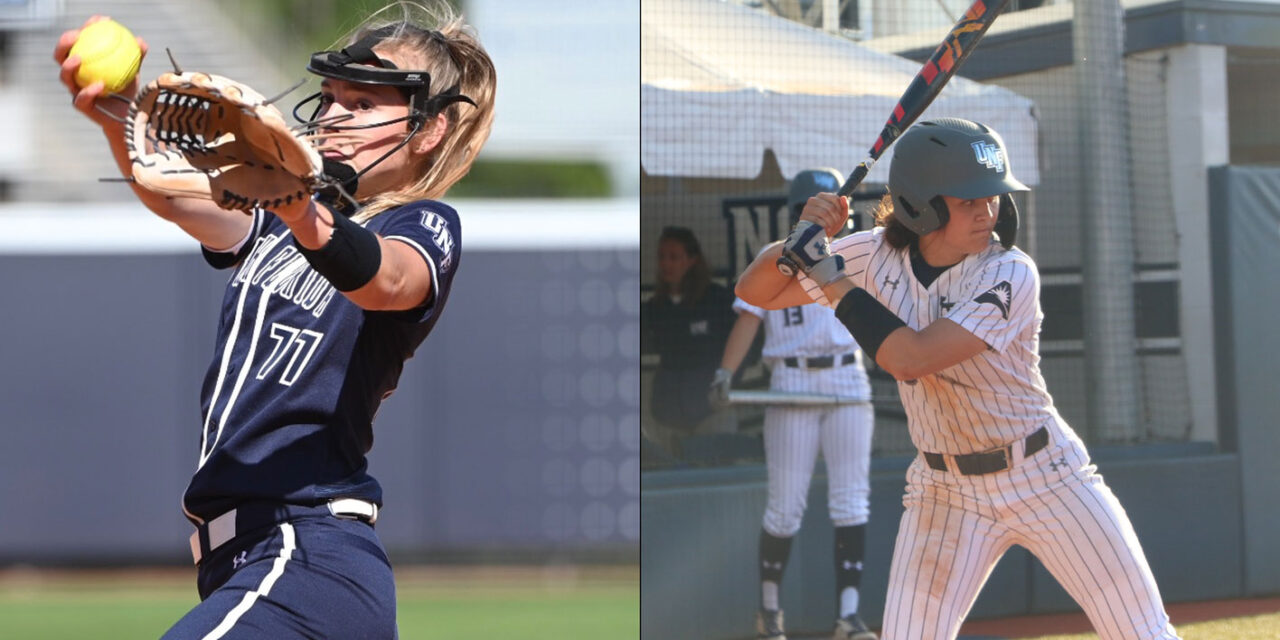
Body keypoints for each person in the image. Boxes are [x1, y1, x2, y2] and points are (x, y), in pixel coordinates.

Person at [55, 2, 495, 638]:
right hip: (245, 561)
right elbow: (171, 192)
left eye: (365, 103)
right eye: (332, 96)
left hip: (307, 551)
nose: (337, 114)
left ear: (429, 130)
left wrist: (297, 206)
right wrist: (117, 109)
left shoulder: (420, 222)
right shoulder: (285, 221)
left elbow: (389, 279)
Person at [736, 119, 1179, 640]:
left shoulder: (1010, 271)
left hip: (1045, 474)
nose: (987, 210)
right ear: (921, 203)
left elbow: (912, 358)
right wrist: (799, 240)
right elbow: (758, 289)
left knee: (1142, 631)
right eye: (968, 199)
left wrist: (829, 277)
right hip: (943, 491)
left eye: (992, 196)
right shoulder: (875, 255)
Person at [711, 169, 876, 640]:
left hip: (847, 376)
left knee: (851, 502)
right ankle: (769, 615)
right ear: (795, 211)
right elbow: (747, 320)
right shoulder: (775, 259)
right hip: (791, 382)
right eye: (811, 204)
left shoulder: (856, 252)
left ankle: (847, 618)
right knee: (785, 509)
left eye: (828, 203)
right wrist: (726, 372)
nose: (822, 212)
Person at [641, 226, 738, 457]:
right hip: (667, 417)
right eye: (662, 257)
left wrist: (726, 384)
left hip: (713, 413)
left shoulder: (718, 301)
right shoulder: (655, 308)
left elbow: (746, 347)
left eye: (674, 257)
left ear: (692, 260)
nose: (666, 264)